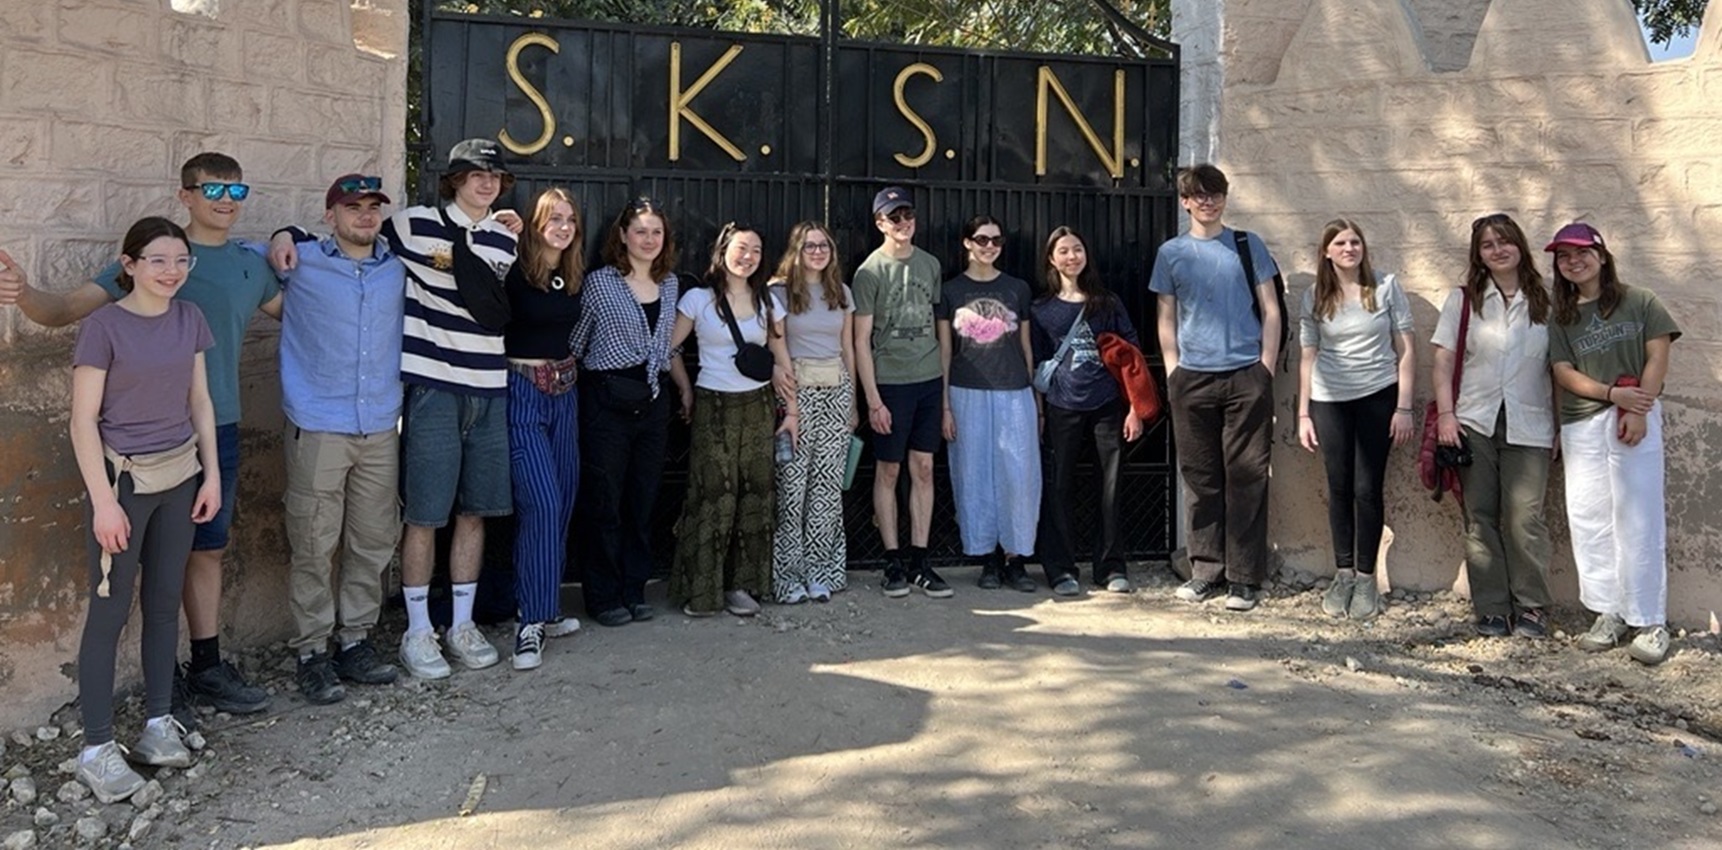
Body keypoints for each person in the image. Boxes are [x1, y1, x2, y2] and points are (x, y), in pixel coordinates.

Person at [0, 152, 277, 718]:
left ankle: (205, 667)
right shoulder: (154, 255)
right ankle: (153, 689)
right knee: (137, 573)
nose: (226, 202)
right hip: (133, 448)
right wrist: (23, 291)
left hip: (212, 428)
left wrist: (299, 242)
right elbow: (65, 311)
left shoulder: (253, 266)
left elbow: (304, 312)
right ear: (186, 196)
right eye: (213, 190)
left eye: (237, 191)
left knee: (207, 551)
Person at [68, 218, 220, 802]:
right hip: (123, 484)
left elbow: (200, 401)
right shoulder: (104, 326)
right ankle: (96, 748)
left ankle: (159, 724)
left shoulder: (190, 319)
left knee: (163, 605)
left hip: (180, 478)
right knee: (108, 614)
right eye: (158, 260)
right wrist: (104, 503)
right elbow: (82, 420)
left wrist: (210, 476)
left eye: (181, 260)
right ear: (129, 265)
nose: (172, 271)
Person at [387, 139, 520, 676]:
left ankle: (462, 623)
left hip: (488, 387)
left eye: (495, 176)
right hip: (432, 386)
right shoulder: (411, 225)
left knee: (474, 511)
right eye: (475, 174)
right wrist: (285, 237)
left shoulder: (505, 240)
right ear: (454, 178)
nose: (486, 183)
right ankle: (418, 630)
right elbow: (349, 239)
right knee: (423, 513)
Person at [273, 175, 407, 703]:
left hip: (379, 424)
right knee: (312, 539)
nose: (366, 216)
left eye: (374, 206)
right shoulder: (299, 262)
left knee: (372, 538)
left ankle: (355, 640)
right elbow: (241, 253)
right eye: (353, 207)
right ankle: (311, 651)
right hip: (318, 422)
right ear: (331, 215)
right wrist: (284, 234)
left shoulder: (399, 267)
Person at [1150, 164, 1282, 612]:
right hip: (1192, 378)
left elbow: (1271, 309)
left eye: (1215, 194)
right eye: (1198, 195)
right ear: (1185, 201)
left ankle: (1245, 578)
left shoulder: (1247, 245)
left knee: (1246, 478)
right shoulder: (1171, 253)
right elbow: (1166, 316)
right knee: (1201, 478)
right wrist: (1173, 371)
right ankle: (1206, 569)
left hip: (1246, 375)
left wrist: (1264, 368)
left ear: (1225, 199)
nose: (1208, 201)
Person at [1545, 222, 1680, 664]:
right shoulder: (1561, 316)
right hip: (1583, 421)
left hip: (1633, 417)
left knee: (1639, 517)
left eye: (1581, 252)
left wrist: (1636, 408)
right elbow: (1563, 372)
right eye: (1563, 256)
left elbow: (1657, 354)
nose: (1573, 261)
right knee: (1589, 519)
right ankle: (1609, 611)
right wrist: (1609, 394)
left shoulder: (1640, 301)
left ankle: (1650, 620)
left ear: (1602, 255)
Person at [1432, 213, 1556, 638]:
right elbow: (1444, 359)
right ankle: (1491, 607)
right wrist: (1447, 415)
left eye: (1504, 241)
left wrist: (1560, 427)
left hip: (1531, 423)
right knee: (1479, 516)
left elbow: (1560, 368)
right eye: (1488, 245)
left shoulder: (1549, 301)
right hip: (1473, 421)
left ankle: (1532, 606)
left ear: (1519, 246)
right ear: (1479, 255)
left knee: (1526, 518)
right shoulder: (1464, 299)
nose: (1498, 250)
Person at [570, 198, 692, 627]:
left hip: (653, 400)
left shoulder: (671, 284)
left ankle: (634, 589)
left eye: (656, 231)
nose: (648, 239)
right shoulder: (601, 282)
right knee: (605, 501)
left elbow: (666, 345)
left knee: (642, 500)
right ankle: (602, 596)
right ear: (622, 235)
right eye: (640, 231)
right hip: (606, 400)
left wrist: (682, 385)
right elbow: (578, 340)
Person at [668, 223, 794, 617]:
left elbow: (781, 356)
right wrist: (686, 389)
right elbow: (669, 348)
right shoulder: (697, 300)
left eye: (756, 250)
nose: (748, 256)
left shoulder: (769, 302)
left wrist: (792, 410)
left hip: (757, 405)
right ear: (722, 251)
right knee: (712, 496)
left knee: (754, 494)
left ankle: (743, 586)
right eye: (741, 248)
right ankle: (702, 591)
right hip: (713, 406)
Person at [1298, 219, 1416, 622]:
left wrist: (1404, 407)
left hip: (1377, 397)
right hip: (1329, 401)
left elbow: (1406, 351)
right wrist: (1302, 413)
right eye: (1341, 242)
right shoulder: (1315, 295)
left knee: (1367, 489)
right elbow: (1307, 357)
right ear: (1327, 251)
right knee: (1338, 487)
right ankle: (1343, 573)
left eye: (1355, 241)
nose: (1349, 248)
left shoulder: (1385, 287)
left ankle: (1367, 578)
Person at [1033, 226, 1143, 595]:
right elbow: (1035, 363)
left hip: (1107, 405)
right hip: (1061, 405)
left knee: (1109, 487)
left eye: (1077, 249)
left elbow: (1132, 357)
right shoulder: (1041, 310)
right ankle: (1060, 569)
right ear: (1051, 258)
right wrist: (1039, 412)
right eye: (1063, 251)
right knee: (1058, 486)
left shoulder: (1107, 303)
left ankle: (1110, 567)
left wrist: (1133, 409)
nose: (1071, 257)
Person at [504, 188, 587, 668]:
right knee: (540, 501)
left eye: (570, 219)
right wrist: (499, 225)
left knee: (564, 498)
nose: (562, 225)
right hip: (522, 391)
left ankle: (547, 607)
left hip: (566, 393)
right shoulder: (513, 268)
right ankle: (528, 624)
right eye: (552, 218)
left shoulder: (570, 274)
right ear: (535, 224)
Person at [854, 186, 950, 598]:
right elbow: (860, 340)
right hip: (890, 382)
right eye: (894, 217)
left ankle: (920, 559)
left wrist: (944, 397)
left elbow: (941, 331)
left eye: (907, 215)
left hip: (927, 379)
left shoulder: (930, 265)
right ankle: (892, 560)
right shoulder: (868, 272)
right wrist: (873, 399)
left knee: (924, 469)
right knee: (889, 471)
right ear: (880, 223)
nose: (903, 223)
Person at [938, 216, 1040, 593]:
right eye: (981, 239)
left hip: (1014, 391)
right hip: (966, 391)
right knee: (973, 474)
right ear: (967, 243)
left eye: (996, 240)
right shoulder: (950, 290)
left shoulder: (1017, 288)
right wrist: (945, 406)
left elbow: (1026, 346)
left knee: (1019, 475)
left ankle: (1016, 558)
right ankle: (986, 558)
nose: (989, 246)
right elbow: (944, 352)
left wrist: (1035, 400)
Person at [769, 222, 856, 603]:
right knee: (792, 486)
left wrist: (852, 400)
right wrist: (789, 402)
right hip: (796, 395)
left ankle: (823, 572)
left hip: (836, 390)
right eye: (809, 246)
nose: (818, 252)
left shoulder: (842, 292)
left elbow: (848, 347)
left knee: (826, 488)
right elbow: (777, 345)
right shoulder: (779, 292)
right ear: (796, 251)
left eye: (824, 245)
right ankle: (788, 577)